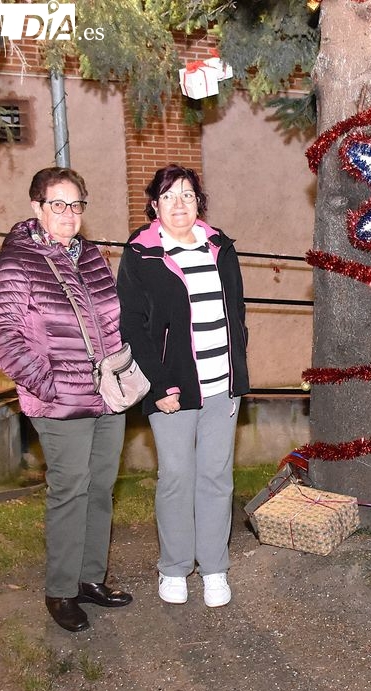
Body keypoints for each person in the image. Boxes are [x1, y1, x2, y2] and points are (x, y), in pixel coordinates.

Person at [0, 167, 132, 633]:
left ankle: (91, 579)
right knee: (69, 491)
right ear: (37, 207)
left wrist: (120, 372)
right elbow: (2, 336)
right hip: (59, 401)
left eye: (76, 205)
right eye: (58, 205)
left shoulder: (90, 257)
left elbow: (109, 320)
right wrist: (47, 385)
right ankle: (61, 590)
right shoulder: (16, 261)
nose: (69, 214)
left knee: (101, 487)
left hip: (108, 396)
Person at [117, 164, 249, 609]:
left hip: (220, 386)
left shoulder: (220, 247)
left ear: (199, 203)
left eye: (188, 195)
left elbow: (237, 318)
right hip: (171, 388)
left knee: (216, 478)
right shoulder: (141, 253)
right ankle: (174, 567)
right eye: (169, 196)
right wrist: (158, 385)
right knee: (176, 477)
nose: (179, 204)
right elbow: (132, 324)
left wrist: (236, 378)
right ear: (154, 205)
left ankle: (214, 567)